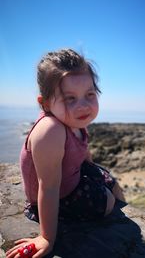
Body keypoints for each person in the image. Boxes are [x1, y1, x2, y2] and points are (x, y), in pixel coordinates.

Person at [6, 48, 125, 258]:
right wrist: (47, 238)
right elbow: (49, 186)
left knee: (112, 183)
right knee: (107, 202)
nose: (83, 106)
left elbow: (83, 154)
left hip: (72, 178)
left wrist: (99, 175)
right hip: (56, 195)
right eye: (70, 98)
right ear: (44, 103)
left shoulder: (75, 120)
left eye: (90, 94)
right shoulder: (50, 130)